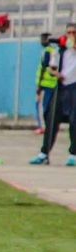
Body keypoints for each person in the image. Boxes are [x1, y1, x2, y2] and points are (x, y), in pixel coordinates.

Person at [31, 23, 76, 166]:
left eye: (74, 33)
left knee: (74, 121)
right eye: (69, 32)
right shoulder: (60, 51)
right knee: (51, 120)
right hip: (62, 88)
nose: (71, 35)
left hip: (74, 87)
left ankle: (73, 154)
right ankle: (44, 153)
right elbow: (51, 67)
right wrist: (56, 74)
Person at [33, 32, 60, 134]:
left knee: (41, 106)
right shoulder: (54, 51)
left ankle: (43, 127)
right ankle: (48, 126)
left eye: (43, 38)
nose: (41, 41)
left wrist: (39, 86)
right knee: (48, 107)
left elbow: (44, 68)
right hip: (52, 84)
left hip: (45, 84)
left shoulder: (47, 51)